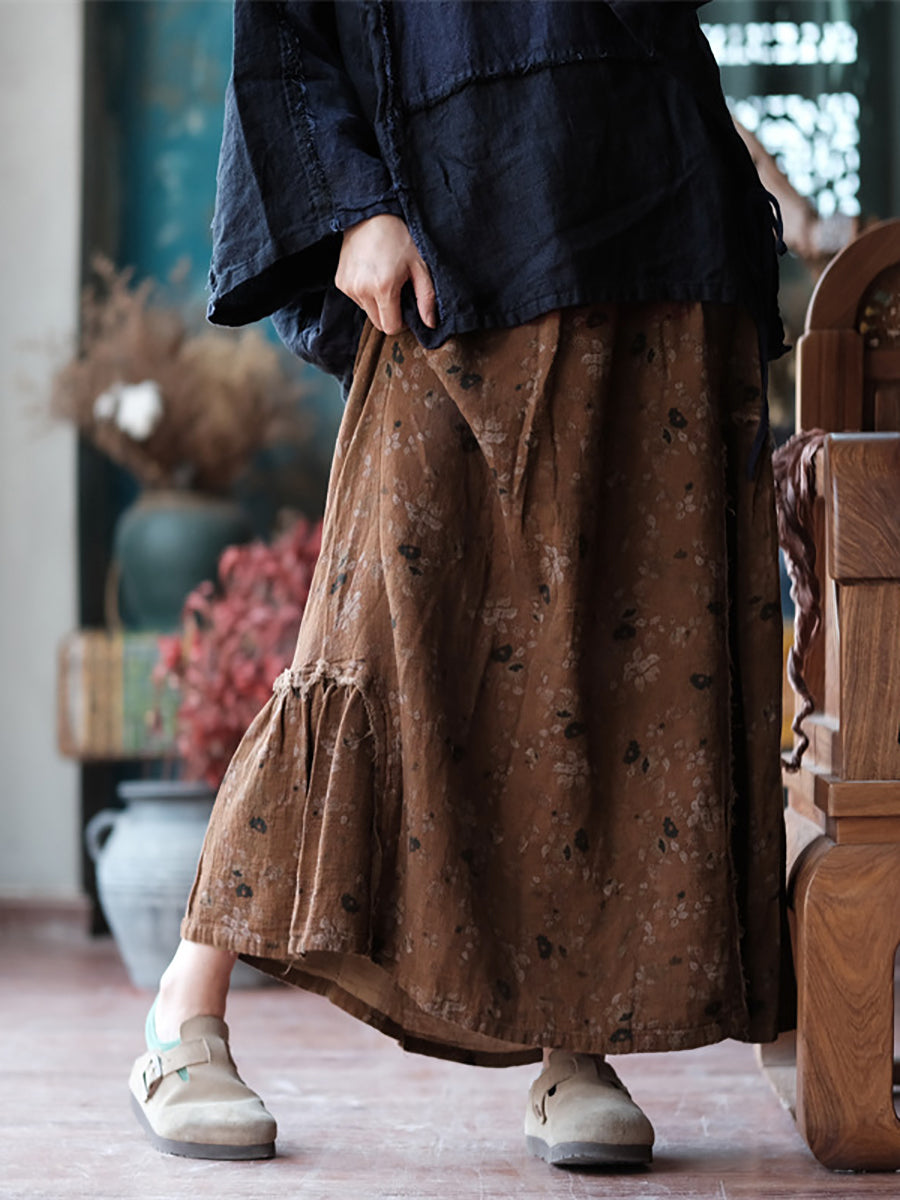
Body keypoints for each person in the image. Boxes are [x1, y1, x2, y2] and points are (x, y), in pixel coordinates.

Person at [128, 0, 794, 1169]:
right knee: (373, 633)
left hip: (664, 204)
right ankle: (187, 1008)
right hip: (458, 205)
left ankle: (577, 1042)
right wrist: (352, 205)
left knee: (623, 643)